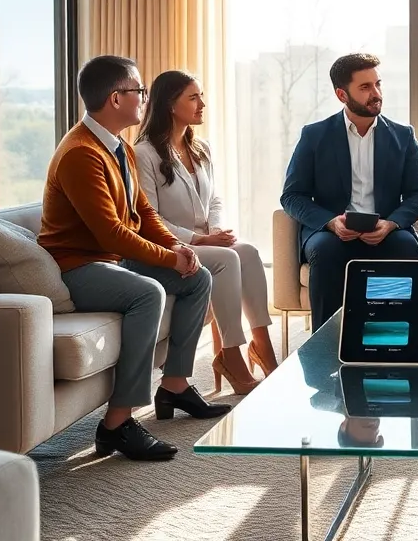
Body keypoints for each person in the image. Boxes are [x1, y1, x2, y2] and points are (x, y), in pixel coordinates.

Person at [38, 55, 229, 462]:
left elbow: (143, 213)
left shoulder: (118, 144)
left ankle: (175, 384)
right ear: (115, 98)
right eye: (138, 90)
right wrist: (166, 257)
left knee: (198, 278)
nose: (144, 97)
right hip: (77, 267)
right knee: (148, 294)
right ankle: (117, 424)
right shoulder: (80, 154)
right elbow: (111, 233)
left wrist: (179, 251)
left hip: (112, 259)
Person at [135, 70, 278, 397]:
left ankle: (262, 345)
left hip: (206, 240)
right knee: (228, 258)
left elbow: (214, 198)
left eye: (201, 95)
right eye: (194, 97)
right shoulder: (144, 153)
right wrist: (201, 240)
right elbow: (149, 219)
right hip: (174, 245)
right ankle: (230, 356)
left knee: (249, 251)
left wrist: (215, 229)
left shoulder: (201, 147)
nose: (203, 104)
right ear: (171, 104)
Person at [281, 53, 418, 329]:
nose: (376, 94)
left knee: (406, 247)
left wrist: (391, 224)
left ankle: (396, 337)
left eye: (377, 84)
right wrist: (330, 222)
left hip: (386, 230)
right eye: (365, 87)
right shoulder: (315, 135)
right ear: (342, 94)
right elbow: (292, 195)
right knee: (325, 252)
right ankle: (324, 346)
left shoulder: (403, 136)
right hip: (332, 233)